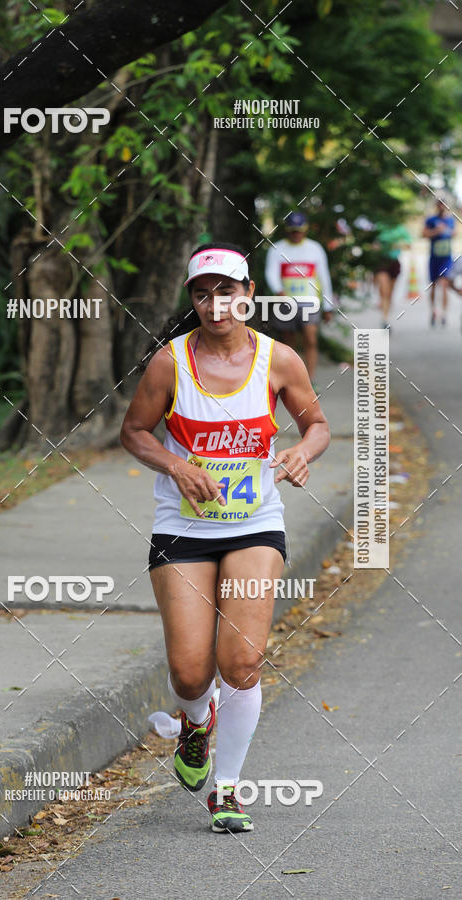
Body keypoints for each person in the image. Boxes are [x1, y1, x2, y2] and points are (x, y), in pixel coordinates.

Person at [120, 242, 330, 833]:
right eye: (203, 293)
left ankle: (227, 788)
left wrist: (300, 451)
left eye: (228, 292)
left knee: (240, 661)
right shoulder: (171, 363)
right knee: (190, 673)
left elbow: (316, 425)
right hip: (182, 526)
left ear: (249, 295)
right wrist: (175, 465)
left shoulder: (279, 359)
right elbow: (134, 431)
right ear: (193, 299)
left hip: (255, 523)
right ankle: (195, 721)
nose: (216, 305)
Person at [264, 211, 334, 387]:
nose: (296, 234)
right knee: (288, 342)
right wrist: (278, 291)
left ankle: (310, 381)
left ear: (305, 229)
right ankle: (291, 380)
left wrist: (328, 306)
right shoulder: (277, 248)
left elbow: (324, 277)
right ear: (287, 230)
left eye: (299, 230)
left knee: (310, 339)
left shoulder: (315, 248)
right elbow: (270, 272)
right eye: (292, 230)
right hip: (286, 303)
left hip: (310, 303)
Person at [372, 221, 411, 330]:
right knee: (385, 290)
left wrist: (397, 245)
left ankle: (386, 318)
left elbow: (409, 244)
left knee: (390, 293)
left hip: (394, 263)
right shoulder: (379, 226)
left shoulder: (399, 227)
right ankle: (384, 320)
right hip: (381, 262)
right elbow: (371, 243)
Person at [422, 199, 456, 327]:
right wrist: (436, 231)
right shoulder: (431, 220)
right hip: (434, 258)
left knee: (445, 284)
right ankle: (433, 310)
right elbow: (424, 234)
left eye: (444, 204)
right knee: (433, 285)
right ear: (437, 206)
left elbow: (454, 233)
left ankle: (444, 313)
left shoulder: (450, 220)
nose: (442, 206)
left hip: (446, 258)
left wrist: (448, 231)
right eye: (440, 204)